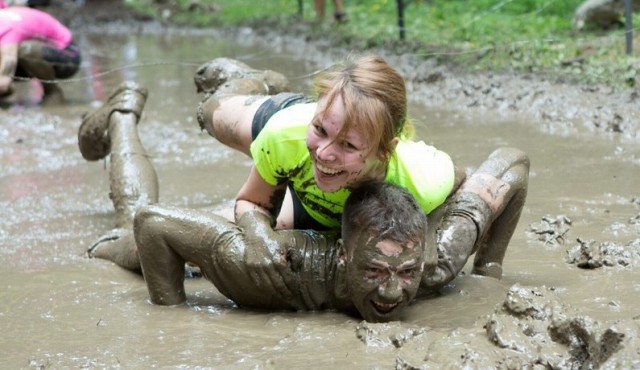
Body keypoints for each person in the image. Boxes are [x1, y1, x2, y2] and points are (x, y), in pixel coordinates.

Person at [80, 79, 529, 321]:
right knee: (211, 118)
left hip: (330, 200)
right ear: (341, 253)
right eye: (374, 272)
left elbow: (509, 163)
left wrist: (486, 271)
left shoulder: (431, 237)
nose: (394, 292)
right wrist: (170, 320)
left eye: (407, 273)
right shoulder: (300, 137)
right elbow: (154, 222)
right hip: (282, 132)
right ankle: (129, 115)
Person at [0, 3, 81, 104]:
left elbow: (3, 81)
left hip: (68, 56)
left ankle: (52, 93)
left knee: (27, 50)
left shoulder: (6, 29)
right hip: (27, 51)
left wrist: (4, 85)